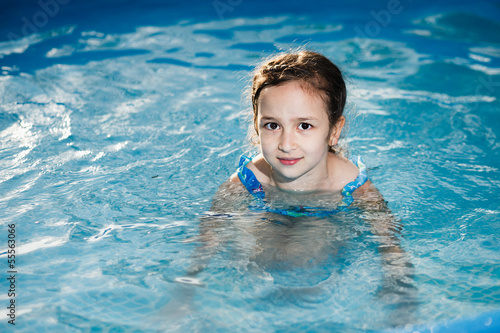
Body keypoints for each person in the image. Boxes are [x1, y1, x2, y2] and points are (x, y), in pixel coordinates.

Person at [166, 50, 417, 327]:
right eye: (272, 125)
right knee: (246, 257)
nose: (286, 143)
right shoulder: (249, 179)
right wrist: (186, 289)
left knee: (303, 260)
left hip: (327, 217)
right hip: (266, 212)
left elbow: (390, 244)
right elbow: (208, 235)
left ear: (334, 130)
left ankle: (309, 310)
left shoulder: (351, 184)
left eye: (304, 126)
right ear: (256, 126)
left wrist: (400, 295)